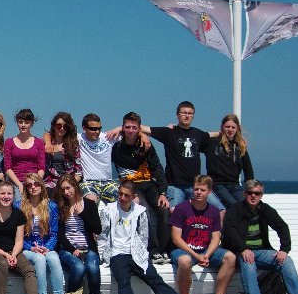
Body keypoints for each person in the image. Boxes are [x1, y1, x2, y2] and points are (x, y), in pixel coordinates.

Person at [98, 181, 200, 294]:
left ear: (134, 196)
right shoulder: (109, 210)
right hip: (116, 252)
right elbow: (103, 234)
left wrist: (143, 254)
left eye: (126, 195)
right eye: (120, 194)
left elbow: (143, 236)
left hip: (136, 253)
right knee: (123, 280)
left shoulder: (139, 211)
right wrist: (102, 254)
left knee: (155, 279)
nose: (122, 198)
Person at [223, 180, 298, 294]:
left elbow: (282, 227)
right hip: (240, 252)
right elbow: (229, 232)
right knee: (248, 262)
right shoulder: (235, 210)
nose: (253, 196)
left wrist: (284, 249)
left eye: (257, 193)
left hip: (262, 251)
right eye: (250, 193)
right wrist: (243, 249)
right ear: (244, 194)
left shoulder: (265, 209)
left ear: (261, 195)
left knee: (286, 261)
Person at [137, 101, 225, 211]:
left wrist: (232, 136)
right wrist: (142, 136)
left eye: (190, 113)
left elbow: (212, 134)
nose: (187, 116)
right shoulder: (168, 132)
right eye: (184, 113)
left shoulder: (198, 134)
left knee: (221, 210)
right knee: (174, 211)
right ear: (177, 115)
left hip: (195, 185)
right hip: (175, 186)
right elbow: (139, 127)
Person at [169, 175, 237, 294]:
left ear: (210, 192)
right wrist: (196, 255)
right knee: (184, 261)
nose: (199, 192)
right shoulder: (181, 209)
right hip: (185, 250)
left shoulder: (214, 211)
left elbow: (216, 238)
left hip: (205, 250)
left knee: (230, 257)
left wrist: (207, 255)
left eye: (203, 190)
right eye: (196, 189)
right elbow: (176, 238)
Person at [111, 112, 171, 264]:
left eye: (134, 127)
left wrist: (162, 192)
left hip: (148, 184)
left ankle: (164, 249)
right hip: (131, 186)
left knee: (163, 210)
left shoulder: (146, 145)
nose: (130, 130)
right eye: (127, 127)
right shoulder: (116, 147)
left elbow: (157, 168)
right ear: (123, 128)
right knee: (144, 211)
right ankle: (153, 251)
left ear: (139, 129)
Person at [18, 173, 65, 294]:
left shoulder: (51, 206)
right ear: (26, 188)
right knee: (39, 259)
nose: (33, 187)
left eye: (36, 184)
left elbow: (54, 234)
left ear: (42, 186)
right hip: (27, 248)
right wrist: (30, 247)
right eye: (29, 185)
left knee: (54, 259)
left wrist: (48, 247)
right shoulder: (19, 206)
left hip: (46, 246)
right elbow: (17, 236)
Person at [56, 174, 103, 294]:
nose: (66, 192)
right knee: (79, 267)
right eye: (63, 189)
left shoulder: (89, 204)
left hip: (87, 247)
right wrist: (72, 249)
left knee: (92, 267)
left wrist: (82, 214)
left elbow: (97, 229)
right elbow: (60, 234)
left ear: (75, 187)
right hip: (68, 248)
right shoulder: (61, 207)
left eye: (68, 188)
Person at [205, 114, 254, 209]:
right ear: (222, 127)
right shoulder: (212, 142)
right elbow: (198, 137)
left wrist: (250, 188)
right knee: (233, 205)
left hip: (235, 184)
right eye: (227, 127)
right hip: (217, 184)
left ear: (237, 128)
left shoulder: (240, 146)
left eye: (233, 127)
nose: (230, 130)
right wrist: (217, 133)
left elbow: (248, 169)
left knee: (246, 204)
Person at [3, 109, 45, 202]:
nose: (23, 125)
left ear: (32, 123)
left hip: (34, 182)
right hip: (15, 182)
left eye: (26, 122)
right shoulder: (9, 142)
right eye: (20, 122)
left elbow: (41, 167)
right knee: (19, 203)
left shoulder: (39, 142)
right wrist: (19, 185)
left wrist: (36, 183)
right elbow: (7, 167)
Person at [78, 113, 119, 204]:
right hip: (88, 182)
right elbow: (50, 134)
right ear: (84, 128)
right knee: (91, 201)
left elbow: (131, 130)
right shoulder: (79, 138)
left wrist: (119, 128)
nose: (96, 131)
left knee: (129, 198)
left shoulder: (108, 137)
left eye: (99, 128)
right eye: (93, 129)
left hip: (108, 182)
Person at [43, 111, 82, 200]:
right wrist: (47, 143)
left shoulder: (73, 145)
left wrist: (70, 184)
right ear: (54, 126)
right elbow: (45, 135)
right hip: (51, 182)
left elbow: (78, 172)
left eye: (65, 126)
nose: (62, 128)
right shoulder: (47, 143)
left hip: (68, 181)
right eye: (58, 126)